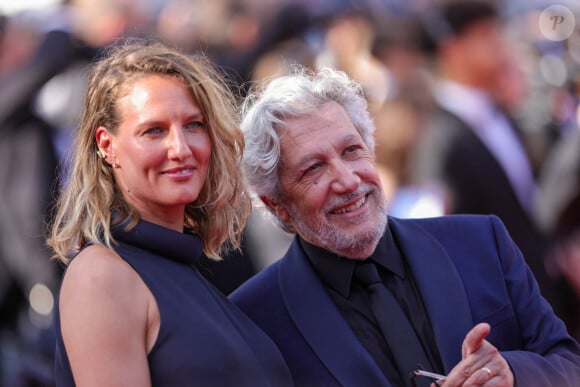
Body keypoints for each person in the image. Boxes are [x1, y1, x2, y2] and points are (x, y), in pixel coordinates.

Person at [228, 65, 580, 387]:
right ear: (278, 204)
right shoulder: (254, 318)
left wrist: (511, 373)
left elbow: (568, 363)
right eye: (313, 169)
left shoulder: (480, 242)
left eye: (352, 151)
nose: (348, 181)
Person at [46, 40, 292, 386]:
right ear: (107, 145)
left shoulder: (186, 269)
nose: (180, 148)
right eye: (154, 131)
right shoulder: (102, 276)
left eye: (194, 125)